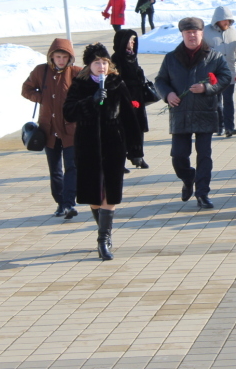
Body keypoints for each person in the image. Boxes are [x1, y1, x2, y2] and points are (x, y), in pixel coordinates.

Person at [63, 43, 144, 261]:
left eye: (105, 62)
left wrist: (136, 150)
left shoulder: (117, 83)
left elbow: (129, 117)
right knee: (94, 194)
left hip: (113, 145)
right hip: (87, 145)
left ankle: (103, 240)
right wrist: (91, 100)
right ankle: (103, 229)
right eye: (96, 62)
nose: (101, 66)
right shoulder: (79, 85)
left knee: (110, 190)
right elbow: (68, 113)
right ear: (88, 65)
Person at [155, 17, 232, 208]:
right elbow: (160, 81)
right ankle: (188, 177)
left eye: (195, 32)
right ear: (182, 34)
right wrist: (168, 94)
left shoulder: (213, 57)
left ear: (201, 33)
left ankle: (202, 193)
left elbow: (226, 77)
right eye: (187, 32)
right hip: (180, 112)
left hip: (205, 112)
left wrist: (207, 88)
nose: (191, 35)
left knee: (204, 155)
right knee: (178, 156)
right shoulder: (171, 58)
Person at [21, 38, 81, 219]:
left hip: (70, 130)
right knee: (55, 170)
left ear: (70, 58)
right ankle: (60, 203)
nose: (61, 60)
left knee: (72, 167)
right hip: (48, 130)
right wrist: (40, 98)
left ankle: (70, 203)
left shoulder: (76, 73)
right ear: (51, 57)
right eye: (58, 56)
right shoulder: (41, 71)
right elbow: (26, 89)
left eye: (64, 57)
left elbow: (89, 92)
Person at [112, 29, 151, 170]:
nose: (133, 43)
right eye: (130, 40)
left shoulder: (132, 56)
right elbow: (117, 80)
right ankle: (120, 160)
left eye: (134, 40)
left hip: (137, 97)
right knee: (124, 130)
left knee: (138, 127)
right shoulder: (116, 58)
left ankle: (137, 156)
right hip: (124, 99)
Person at [203, 6, 236, 137]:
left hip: (229, 71)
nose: (227, 23)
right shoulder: (206, 32)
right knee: (216, 101)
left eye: (229, 20)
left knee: (228, 100)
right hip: (212, 73)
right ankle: (218, 126)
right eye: (224, 20)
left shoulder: (233, 31)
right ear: (217, 20)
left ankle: (229, 127)